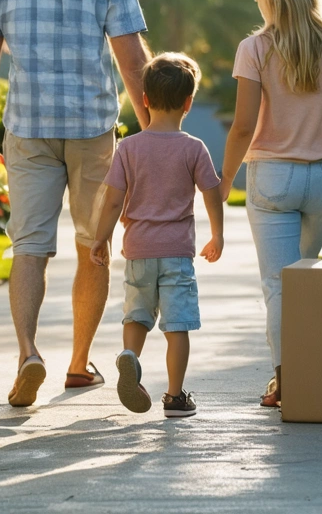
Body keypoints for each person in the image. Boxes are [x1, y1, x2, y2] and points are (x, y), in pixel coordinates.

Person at [0, 0, 151, 408]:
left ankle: (28, 353)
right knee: (94, 245)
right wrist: (151, 134)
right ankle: (77, 364)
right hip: (92, 127)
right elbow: (132, 61)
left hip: (27, 126)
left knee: (28, 246)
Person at [219, 0, 322, 409]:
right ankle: (306, 373)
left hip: (272, 179)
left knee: (280, 286)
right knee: (302, 282)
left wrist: (223, 182)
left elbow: (243, 127)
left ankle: (287, 383)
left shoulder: (255, 49)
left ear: (273, 1)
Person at [90, 53, 224, 418]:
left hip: (138, 250)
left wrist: (101, 238)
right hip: (177, 253)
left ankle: (130, 357)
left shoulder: (129, 148)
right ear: (188, 103)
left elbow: (113, 200)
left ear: (145, 99)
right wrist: (217, 235)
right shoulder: (193, 147)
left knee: (136, 315)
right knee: (177, 325)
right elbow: (211, 192)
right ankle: (175, 397)